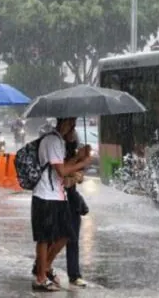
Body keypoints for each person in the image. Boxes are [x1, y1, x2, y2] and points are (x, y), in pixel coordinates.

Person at [31, 117, 93, 292]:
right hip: (45, 195)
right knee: (44, 238)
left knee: (66, 234)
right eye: (71, 123)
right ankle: (41, 277)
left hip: (57, 196)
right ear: (64, 124)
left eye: (74, 124)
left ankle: (44, 269)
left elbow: (63, 166)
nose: (73, 128)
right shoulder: (52, 140)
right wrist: (82, 162)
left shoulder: (59, 141)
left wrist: (78, 158)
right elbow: (61, 170)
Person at [64, 127, 89, 287]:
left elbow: (78, 179)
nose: (73, 132)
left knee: (73, 239)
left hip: (72, 200)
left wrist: (82, 163)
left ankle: (74, 274)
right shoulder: (57, 148)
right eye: (71, 127)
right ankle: (41, 268)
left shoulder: (75, 151)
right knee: (53, 239)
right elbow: (62, 175)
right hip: (56, 199)